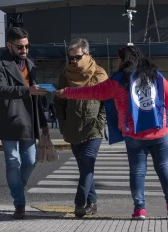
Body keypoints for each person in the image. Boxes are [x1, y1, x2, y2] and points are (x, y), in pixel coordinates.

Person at [55, 45, 168, 220]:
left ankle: (140, 209)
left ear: (124, 60)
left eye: (119, 59)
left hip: (134, 134)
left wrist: (66, 92)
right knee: (165, 168)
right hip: (160, 132)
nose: (117, 62)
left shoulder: (119, 80)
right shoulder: (154, 75)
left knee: (137, 171)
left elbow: (92, 92)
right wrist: (166, 120)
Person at [0, 27, 49, 219]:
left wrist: (44, 122)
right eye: (20, 47)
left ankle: (16, 189)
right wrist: (27, 91)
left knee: (31, 160)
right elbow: (0, 89)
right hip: (8, 119)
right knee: (12, 162)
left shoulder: (30, 64)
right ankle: (19, 202)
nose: (24, 50)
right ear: (9, 45)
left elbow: (36, 96)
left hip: (29, 120)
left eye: (26, 46)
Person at [54, 38, 108, 218]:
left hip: (93, 129)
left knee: (87, 164)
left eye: (77, 57)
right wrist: (63, 123)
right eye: (70, 58)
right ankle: (92, 202)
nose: (73, 62)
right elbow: (59, 104)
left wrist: (100, 122)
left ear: (87, 54)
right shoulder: (65, 76)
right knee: (84, 168)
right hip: (73, 128)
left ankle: (79, 202)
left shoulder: (99, 74)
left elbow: (106, 103)